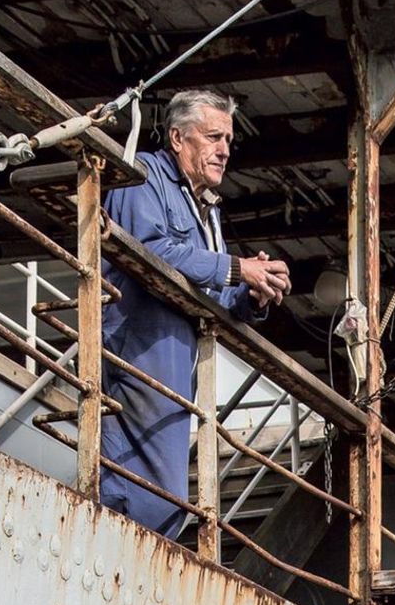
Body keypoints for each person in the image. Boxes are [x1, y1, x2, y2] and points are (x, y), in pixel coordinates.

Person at [99, 88, 291, 538]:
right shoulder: (144, 175)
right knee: (143, 495)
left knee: (166, 500)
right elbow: (151, 250)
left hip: (174, 365)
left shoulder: (207, 210)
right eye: (213, 137)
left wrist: (252, 294)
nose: (224, 150)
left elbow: (213, 295)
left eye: (228, 140)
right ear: (177, 138)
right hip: (137, 351)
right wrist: (237, 268)